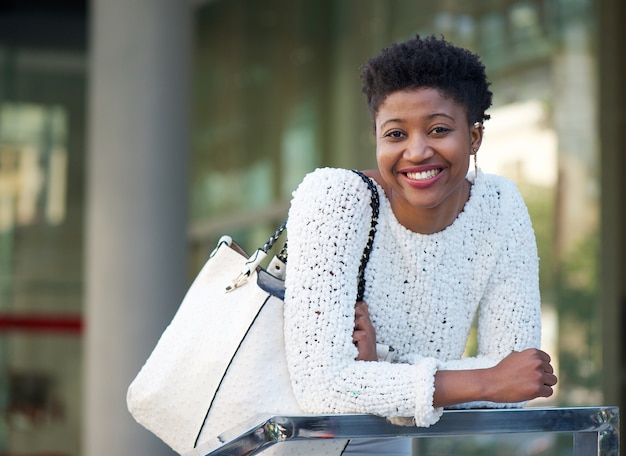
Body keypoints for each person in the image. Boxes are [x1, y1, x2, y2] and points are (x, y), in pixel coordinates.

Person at [282, 34, 557, 455]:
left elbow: (517, 382)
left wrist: (380, 372)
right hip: (282, 442)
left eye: (439, 129)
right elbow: (322, 389)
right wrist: (480, 380)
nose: (416, 151)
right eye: (395, 134)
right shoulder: (335, 198)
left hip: (386, 445)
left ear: (475, 136)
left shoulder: (499, 206)